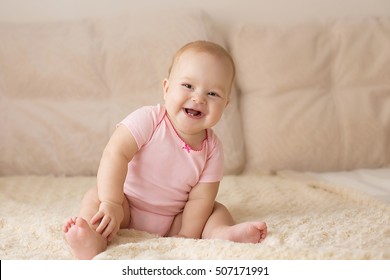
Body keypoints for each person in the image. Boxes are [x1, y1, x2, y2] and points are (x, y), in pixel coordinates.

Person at [63, 40, 267, 259]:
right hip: (126, 207)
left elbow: (200, 199)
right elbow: (115, 154)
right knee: (95, 196)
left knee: (215, 209)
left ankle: (221, 233)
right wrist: (111, 203)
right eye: (188, 86)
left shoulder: (213, 148)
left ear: (225, 104)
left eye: (213, 94)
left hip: (174, 219)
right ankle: (91, 238)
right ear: (167, 88)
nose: (198, 98)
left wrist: (187, 234)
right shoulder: (149, 119)